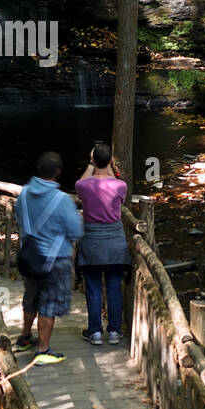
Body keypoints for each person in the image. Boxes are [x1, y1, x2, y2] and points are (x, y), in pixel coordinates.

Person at [14, 150, 83, 364]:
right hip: (55, 260)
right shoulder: (61, 199)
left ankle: (25, 337)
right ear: (58, 172)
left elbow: (20, 218)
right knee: (49, 304)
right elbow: (76, 231)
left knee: (31, 297)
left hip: (29, 256)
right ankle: (43, 350)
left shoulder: (24, 194)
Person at [75, 142, 131, 345]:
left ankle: (95, 331)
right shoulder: (120, 185)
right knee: (115, 286)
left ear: (92, 160)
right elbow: (116, 188)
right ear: (110, 161)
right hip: (115, 242)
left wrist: (91, 164)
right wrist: (107, 163)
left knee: (93, 287)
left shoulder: (84, 185)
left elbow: (80, 185)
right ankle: (114, 331)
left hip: (92, 241)